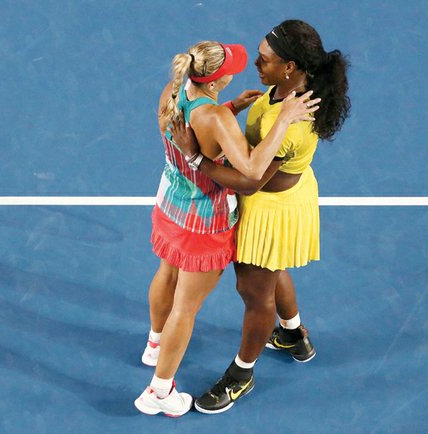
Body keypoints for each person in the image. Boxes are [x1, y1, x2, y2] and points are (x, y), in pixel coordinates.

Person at [170, 20, 351, 414]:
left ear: (289, 66)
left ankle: (242, 373)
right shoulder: (286, 91)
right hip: (284, 195)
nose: (255, 63)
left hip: (271, 209)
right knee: (273, 270)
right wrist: (235, 109)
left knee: (255, 294)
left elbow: (249, 181)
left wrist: (196, 157)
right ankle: (293, 336)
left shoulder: (290, 122)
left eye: (264, 59)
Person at [134, 40, 319, 418]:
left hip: (169, 205)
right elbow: (250, 171)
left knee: (166, 274)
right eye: (233, 65)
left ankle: (154, 344)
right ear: (217, 80)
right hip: (203, 221)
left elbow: (192, 131)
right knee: (185, 309)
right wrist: (283, 118)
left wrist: (232, 107)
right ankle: (159, 390)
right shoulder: (216, 120)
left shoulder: (171, 91)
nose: (245, 66)